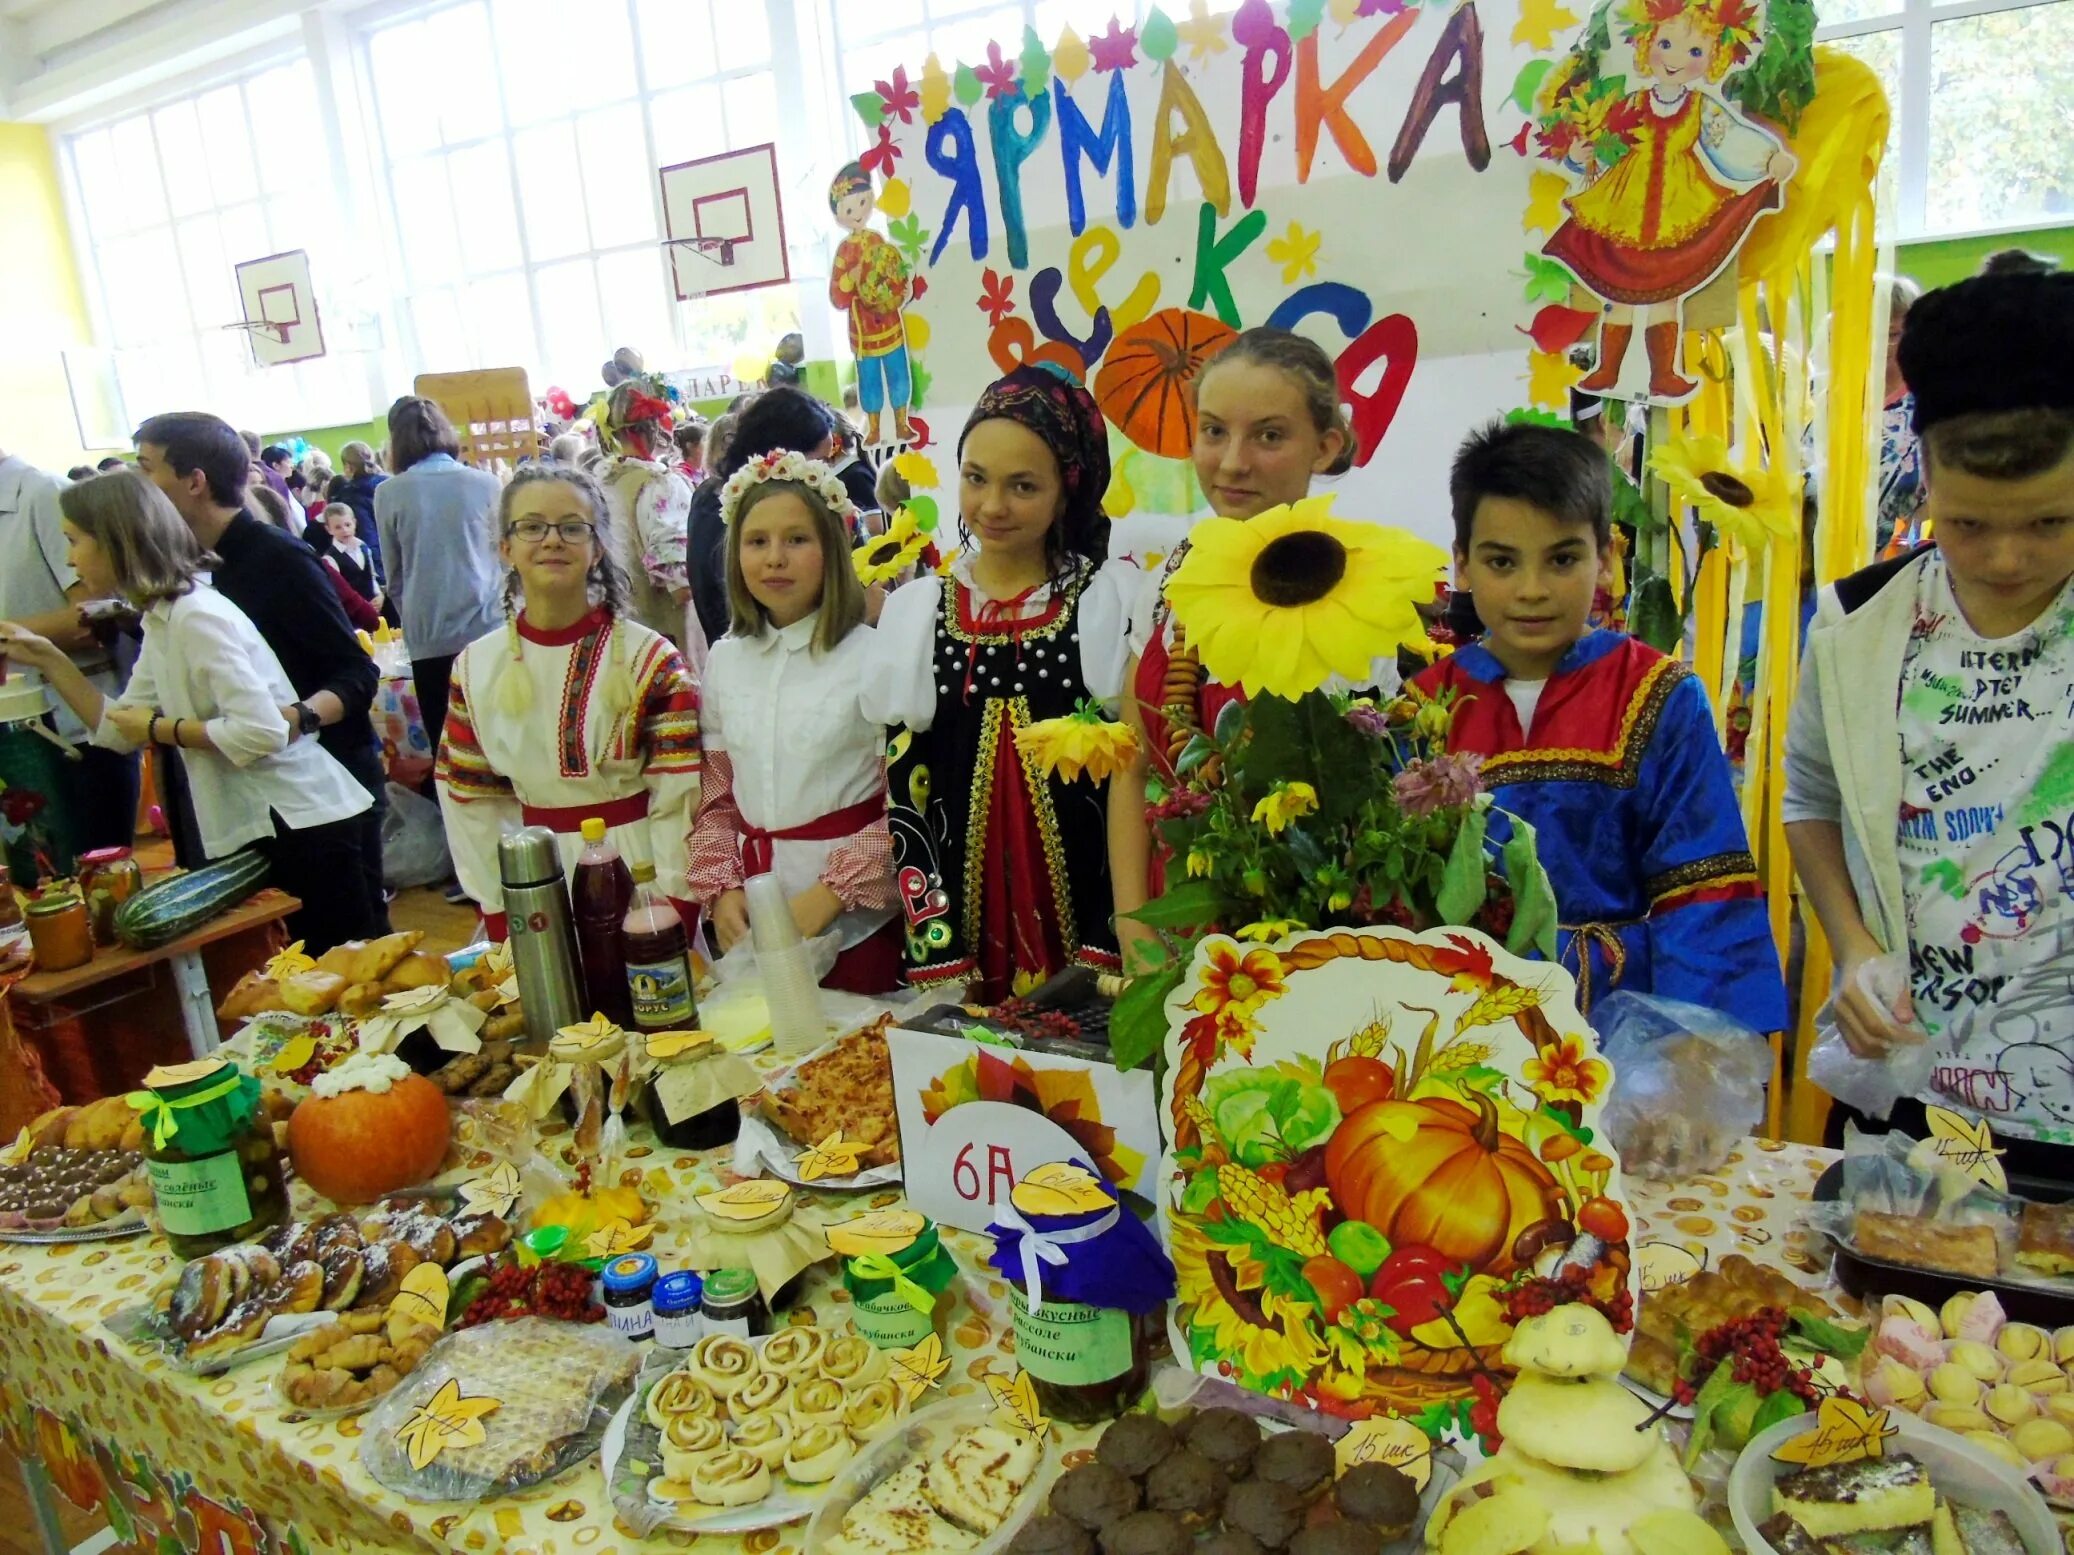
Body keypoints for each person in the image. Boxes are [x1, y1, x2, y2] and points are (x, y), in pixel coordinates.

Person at [1785, 271, 2074, 1169]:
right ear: (1925, 476)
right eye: (1969, 521)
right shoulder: (1856, 627)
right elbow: (1809, 795)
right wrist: (1853, 943)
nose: (2007, 556)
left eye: (2052, 519)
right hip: (1913, 1095)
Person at [1415, 420, 1788, 1027]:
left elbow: (1700, 884)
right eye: (1501, 562)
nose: (1531, 590)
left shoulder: (1659, 695)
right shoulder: (1423, 708)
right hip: (1461, 1024)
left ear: (1607, 558)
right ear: (1461, 566)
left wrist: (1692, 1054)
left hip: (1621, 1024)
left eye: (1562, 559)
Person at [0, 472, 378, 952]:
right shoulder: (165, 617)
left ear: (117, 542)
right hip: (267, 824)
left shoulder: (196, 616)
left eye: (76, 542)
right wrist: (49, 658)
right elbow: (118, 731)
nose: (71, 559)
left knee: (349, 981)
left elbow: (263, 731)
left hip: (299, 823)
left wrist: (163, 729)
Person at [1110, 328, 1386, 970]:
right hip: (1170, 913)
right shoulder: (1169, 575)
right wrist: (1135, 931)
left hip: (1301, 933)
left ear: (1325, 445)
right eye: (1213, 432)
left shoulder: (1354, 587)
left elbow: (1357, 802)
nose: (1232, 462)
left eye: (1268, 435)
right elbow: (1132, 764)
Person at [862, 364, 1135, 999]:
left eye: (1023, 486)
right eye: (976, 478)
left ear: (1068, 491)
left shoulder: (1102, 603)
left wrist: (1116, 933)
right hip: (963, 909)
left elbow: (1127, 780)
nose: (992, 506)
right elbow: (908, 785)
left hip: (1087, 913)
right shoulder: (920, 611)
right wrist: (933, 941)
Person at [133, 412, 391, 929]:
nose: (140, 486)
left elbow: (356, 674)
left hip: (321, 794)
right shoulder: (192, 570)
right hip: (256, 803)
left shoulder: (277, 558)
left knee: (349, 958)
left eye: (147, 468)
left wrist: (285, 722)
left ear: (194, 481)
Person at [435, 465, 701, 941]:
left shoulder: (650, 658)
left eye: (572, 527)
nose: (552, 540)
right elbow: (471, 802)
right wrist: (500, 911)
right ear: (505, 548)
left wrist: (674, 904)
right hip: (533, 878)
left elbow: (679, 793)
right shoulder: (475, 668)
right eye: (532, 526)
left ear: (597, 547)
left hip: (641, 872)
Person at [686, 451, 900, 993]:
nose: (775, 559)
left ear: (831, 549)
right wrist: (722, 885)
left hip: (853, 921)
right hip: (756, 914)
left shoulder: (874, 657)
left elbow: (907, 803)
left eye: (796, 540)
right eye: (757, 542)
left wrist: (832, 893)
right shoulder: (726, 660)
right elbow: (717, 795)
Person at [1547, 0, 1795, 400]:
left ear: (1713, 59)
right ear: (1647, 45)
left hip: (1680, 207)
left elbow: (1729, 138)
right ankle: (1607, 371)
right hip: (1624, 207)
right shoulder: (1630, 104)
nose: (1677, 59)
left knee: (1667, 296)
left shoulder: (1701, 109)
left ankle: (1663, 375)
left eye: (1695, 51)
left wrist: (1769, 158)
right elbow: (1600, 146)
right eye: (1666, 44)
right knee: (1617, 296)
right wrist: (1578, 157)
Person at [0, 444, 138, 851]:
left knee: (93, 875)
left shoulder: (41, 494)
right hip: (20, 724)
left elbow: (94, 616)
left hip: (76, 728)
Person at [374, 395, 504, 774]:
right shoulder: (486, 483)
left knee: (448, 745)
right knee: (499, 737)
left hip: (429, 633)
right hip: (488, 625)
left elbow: (393, 574)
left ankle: (458, 828)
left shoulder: (389, 492)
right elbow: (503, 558)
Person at [689, 389, 834, 646]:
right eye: (819, 462)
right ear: (786, 458)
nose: (826, 474)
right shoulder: (744, 508)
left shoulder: (712, 494)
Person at [597, 380, 694, 643]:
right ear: (656, 425)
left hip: (617, 625)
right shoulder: (662, 484)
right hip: (664, 630)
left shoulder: (599, 480)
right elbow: (681, 585)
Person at [827, 164, 915, 445]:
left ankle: (901, 421)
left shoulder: (878, 241)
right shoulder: (844, 251)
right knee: (870, 383)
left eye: (863, 203)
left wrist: (900, 289)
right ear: (840, 215)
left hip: (889, 321)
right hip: (863, 331)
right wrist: (851, 279)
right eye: (849, 209)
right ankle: (875, 427)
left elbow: (894, 273)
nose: (858, 213)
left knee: (899, 375)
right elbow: (837, 298)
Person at [1874, 275, 1928, 556]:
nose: (1879, 344)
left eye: (1892, 334)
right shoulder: (1824, 402)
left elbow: (1940, 505)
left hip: (1901, 568)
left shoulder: (1933, 403)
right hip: (1821, 576)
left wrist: (1891, 556)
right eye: (1868, 330)